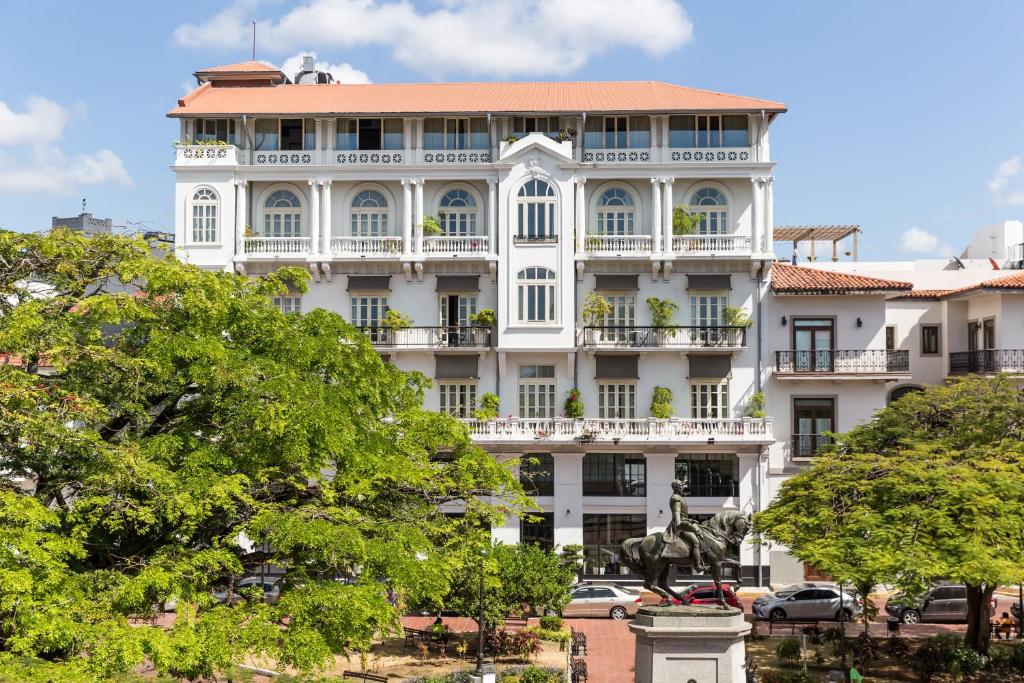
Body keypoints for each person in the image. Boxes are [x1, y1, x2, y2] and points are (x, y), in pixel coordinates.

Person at [663, 478, 706, 572]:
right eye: (680, 486)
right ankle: (697, 566)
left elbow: (682, 516)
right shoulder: (676, 499)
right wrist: (691, 527)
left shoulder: (679, 497)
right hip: (680, 527)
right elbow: (678, 519)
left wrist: (690, 520)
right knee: (696, 542)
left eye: (682, 485)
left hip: (684, 522)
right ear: (675, 487)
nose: (682, 487)